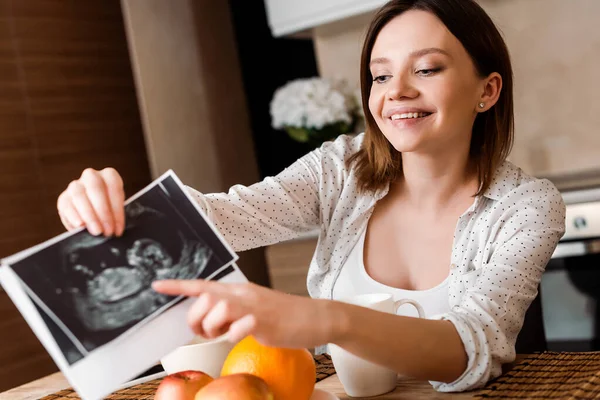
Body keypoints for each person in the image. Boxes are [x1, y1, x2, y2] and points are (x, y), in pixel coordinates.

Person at [56, 0, 566, 392]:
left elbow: (472, 347)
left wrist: (321, 319)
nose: (397, 92)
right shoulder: (341, 168)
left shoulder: (527, 208)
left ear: (488, 90)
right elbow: (227, 217)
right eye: (381, 75)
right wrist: (119, 208)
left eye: (427, 69)